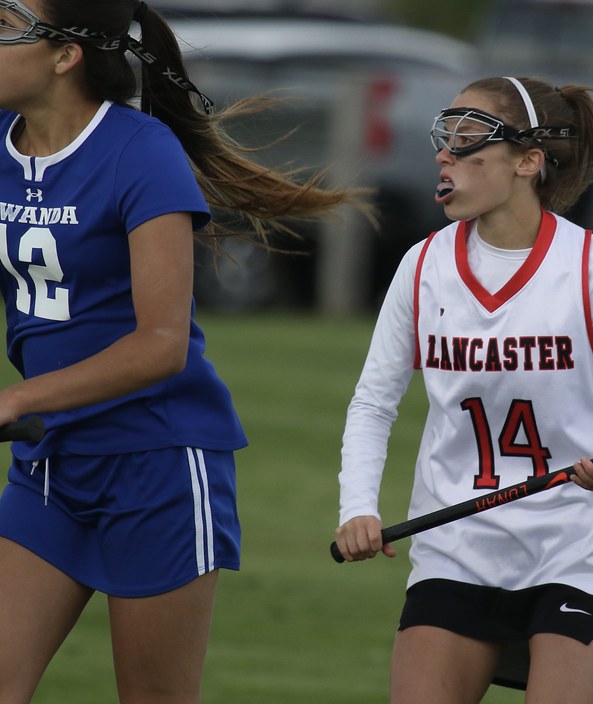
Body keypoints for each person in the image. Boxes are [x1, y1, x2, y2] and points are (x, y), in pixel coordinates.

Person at [0, 1, 364, 701]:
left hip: (157, 466)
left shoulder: (139, 151)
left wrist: (16, 396)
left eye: (5, 26)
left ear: (65, 55)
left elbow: (161, 345)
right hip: (49, 463)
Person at [334, 75, 593, 703]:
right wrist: (357, 507)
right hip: (456, 547)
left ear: (528, 162)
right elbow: (373, 403)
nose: (445, 155)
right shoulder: (423, 266)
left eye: (468, 139)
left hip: (576, 551)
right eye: (444, 138)